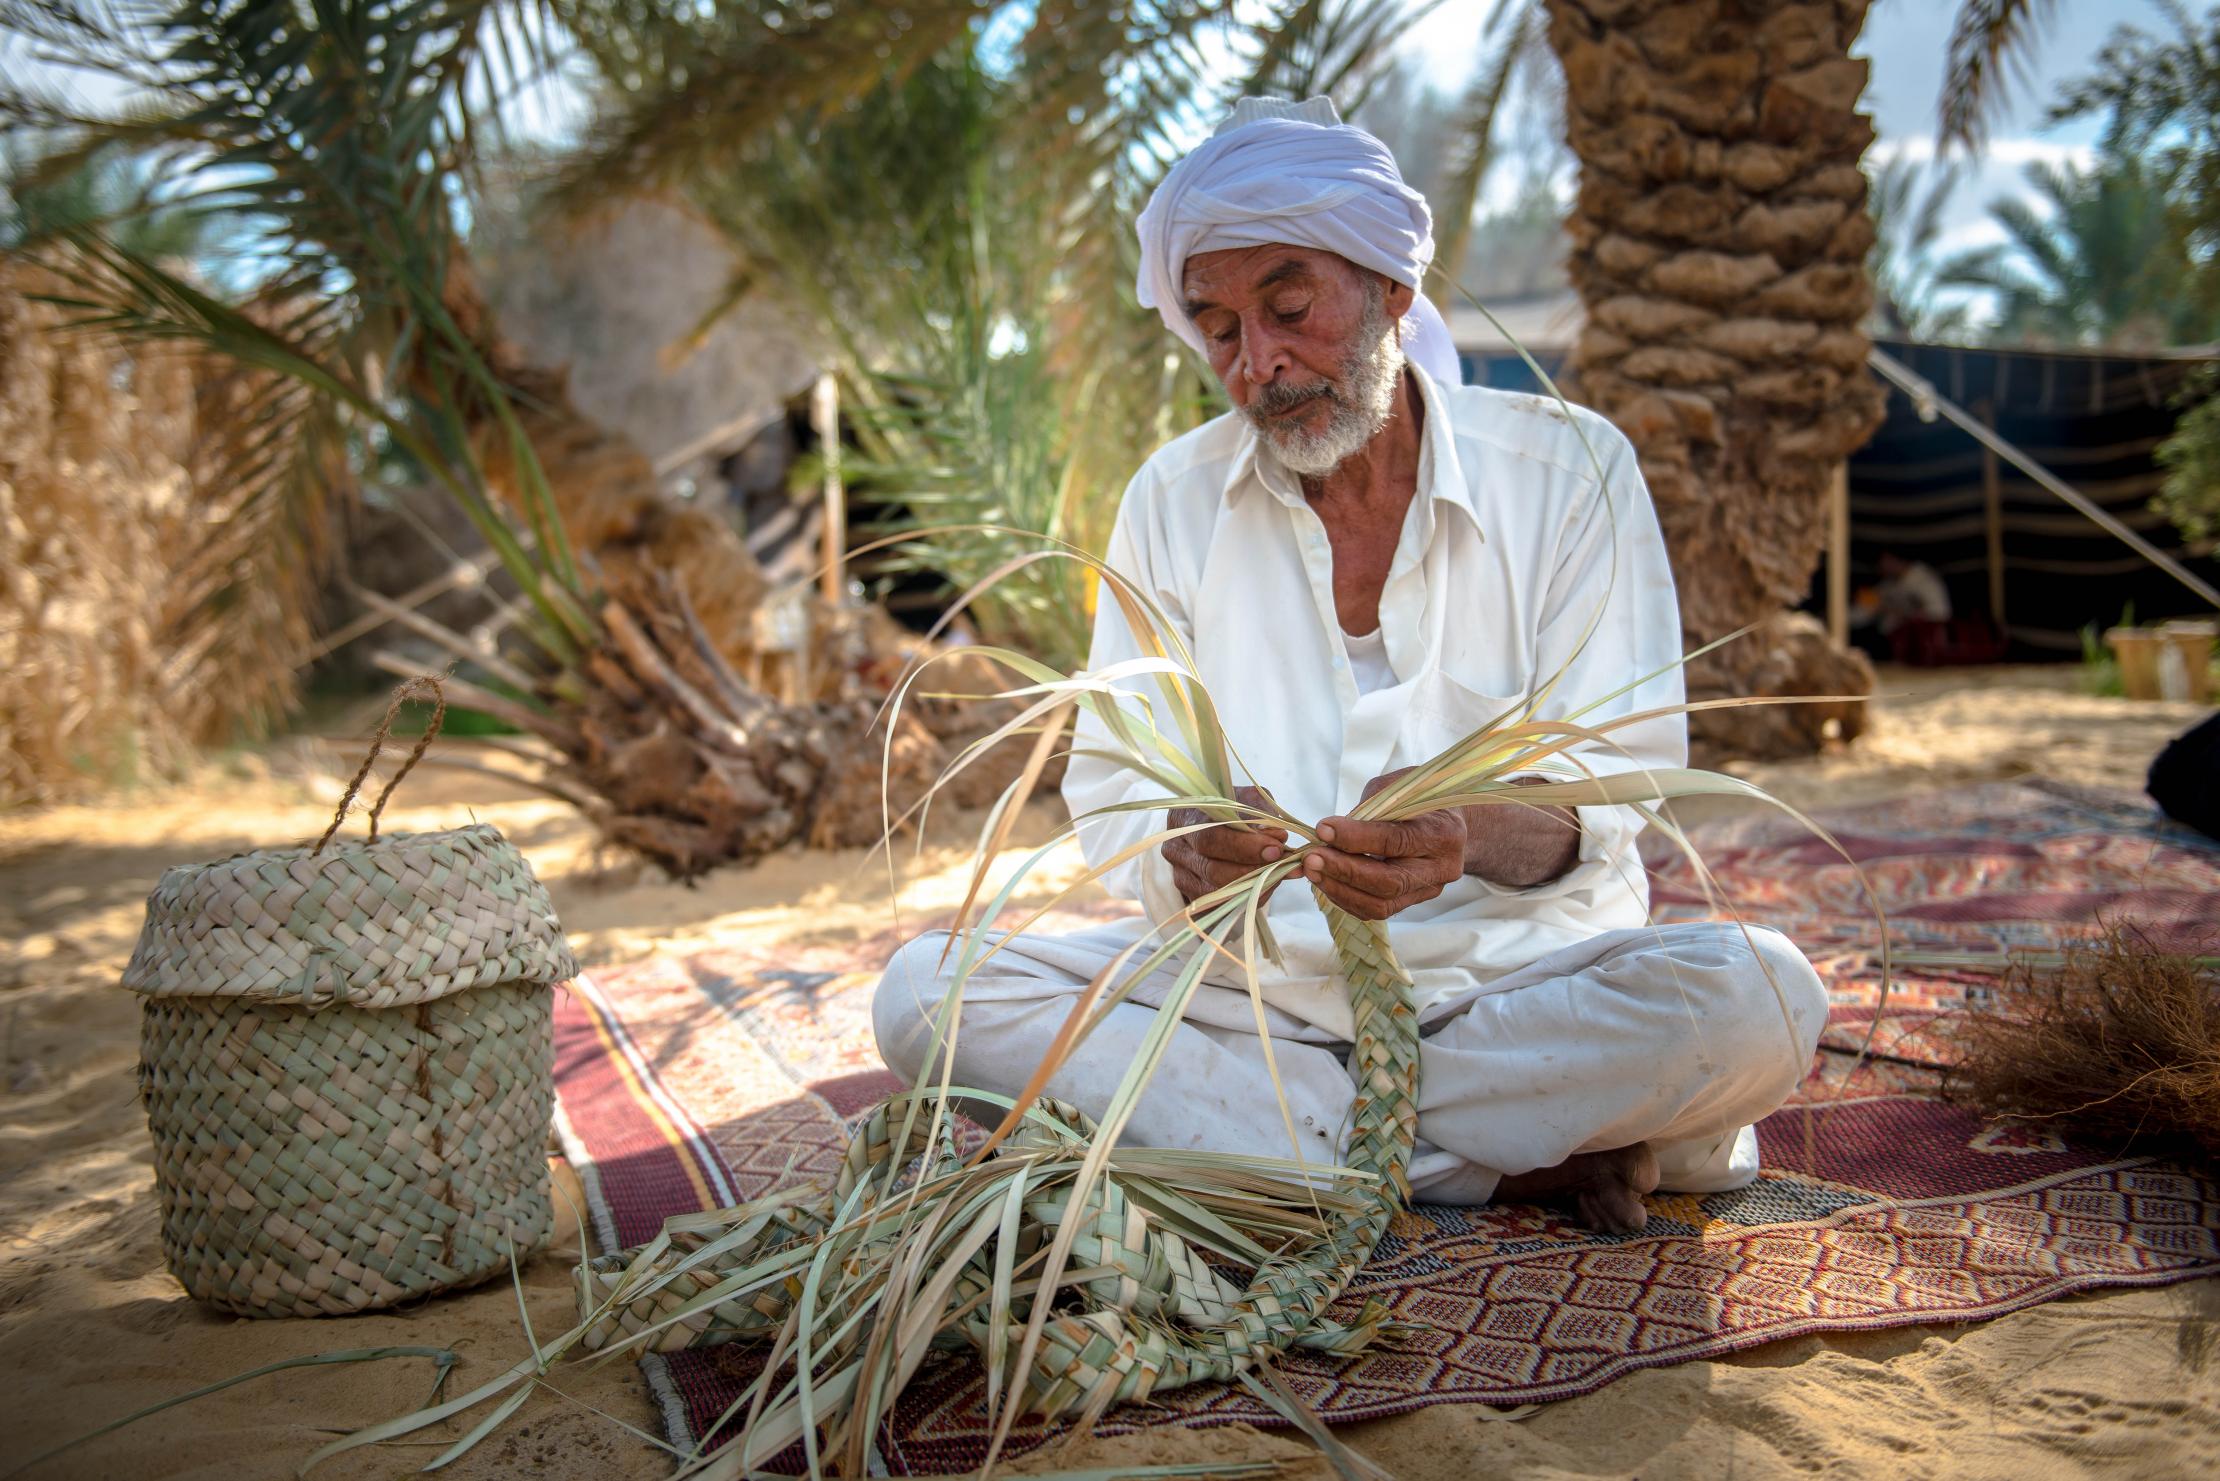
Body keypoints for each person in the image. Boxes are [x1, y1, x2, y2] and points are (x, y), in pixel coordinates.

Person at [871, 97, 1827, 1234]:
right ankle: (1515, 1158)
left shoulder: (1569, 471)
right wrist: (1188, 853)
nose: (1259, 363)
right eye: (1218, 328)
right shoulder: (1171, 504)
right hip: (1249, 998)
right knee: (928, 995)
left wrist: (1466, 834)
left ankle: (1302, 1151)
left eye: (1288, 307)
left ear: (1391, 291)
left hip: (1517, 987)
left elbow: (1614, 795)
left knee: (1760, 995)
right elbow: (1119, 795)